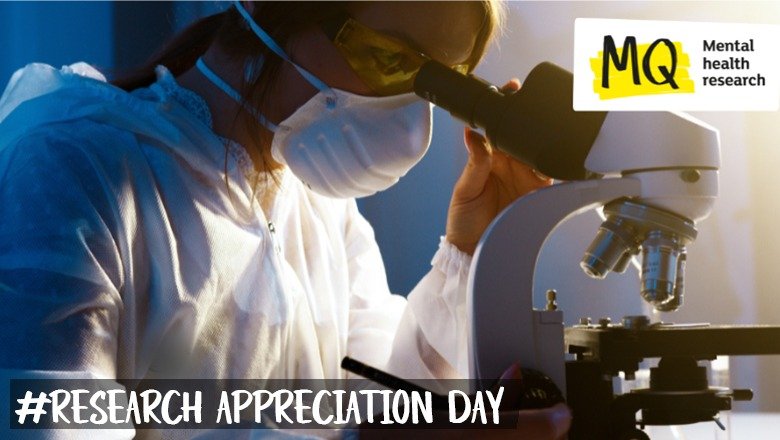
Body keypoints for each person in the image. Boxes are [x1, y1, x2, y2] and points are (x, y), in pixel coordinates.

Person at [0, 1, 569, 438]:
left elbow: (384, 404)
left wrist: (467, 251)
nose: (409, 115)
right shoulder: (70, 170)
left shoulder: (321, 206)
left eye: (443, 85)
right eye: (390, 59)